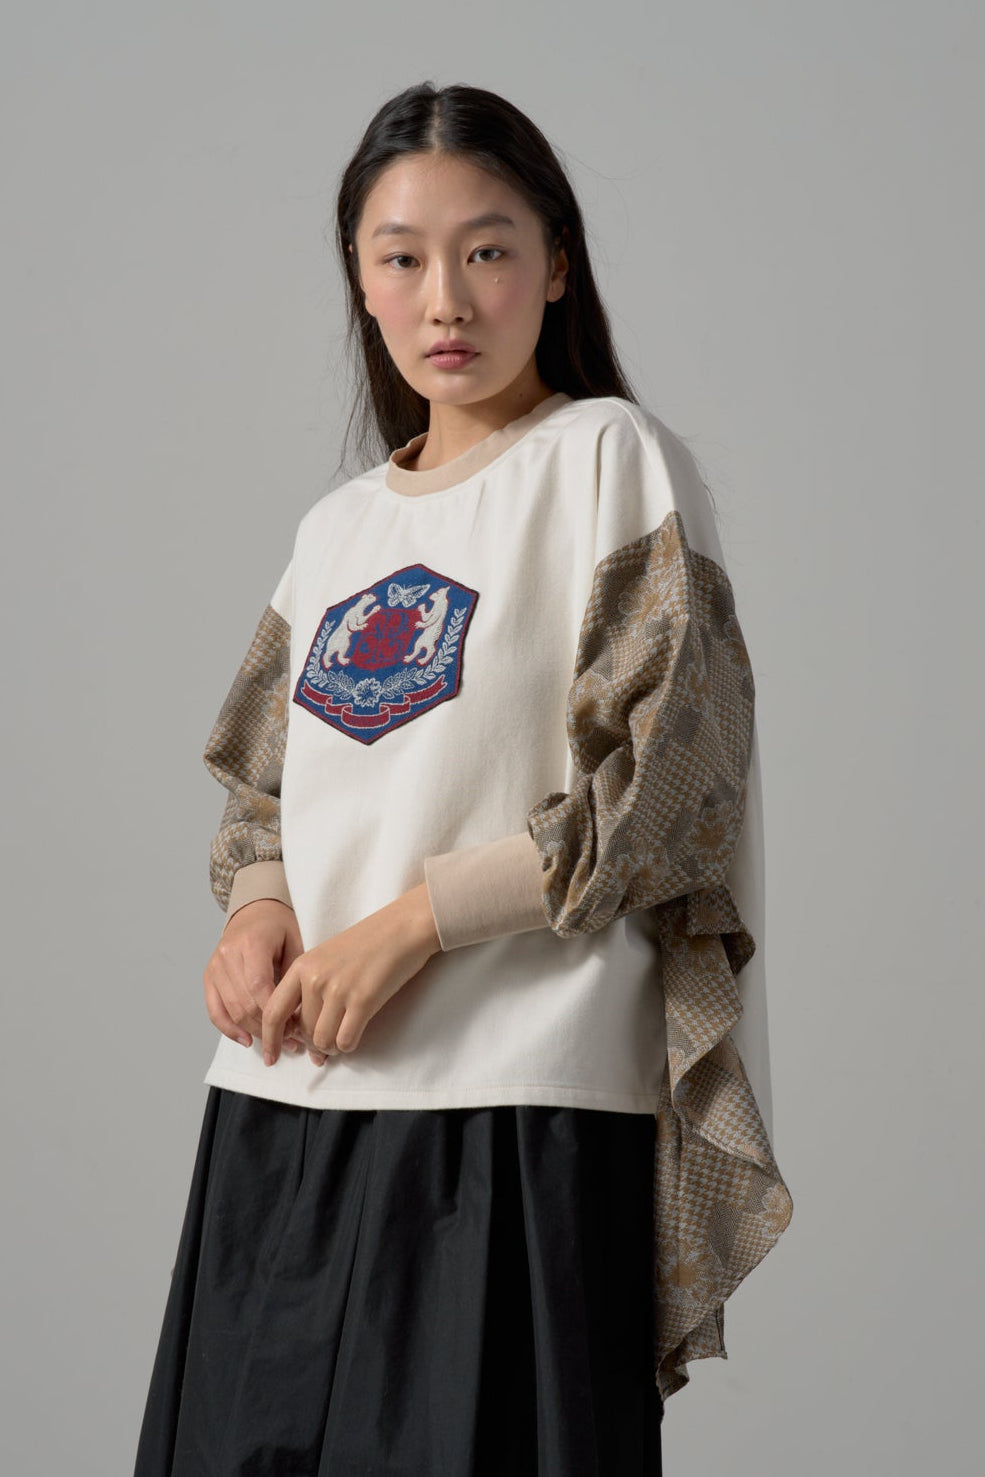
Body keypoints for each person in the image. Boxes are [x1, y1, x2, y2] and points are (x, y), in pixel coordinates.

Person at [133, 80, 793, 1477]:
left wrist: (410, 925)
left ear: (555, 265)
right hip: (288, 1107)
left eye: (487, 249)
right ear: (359, 279)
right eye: (402, 257)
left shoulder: (611, 462)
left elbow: (668, 787)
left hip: (516, 1106)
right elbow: (266, 787)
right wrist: (259, 911)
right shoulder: (337, 529)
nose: (445, 298)